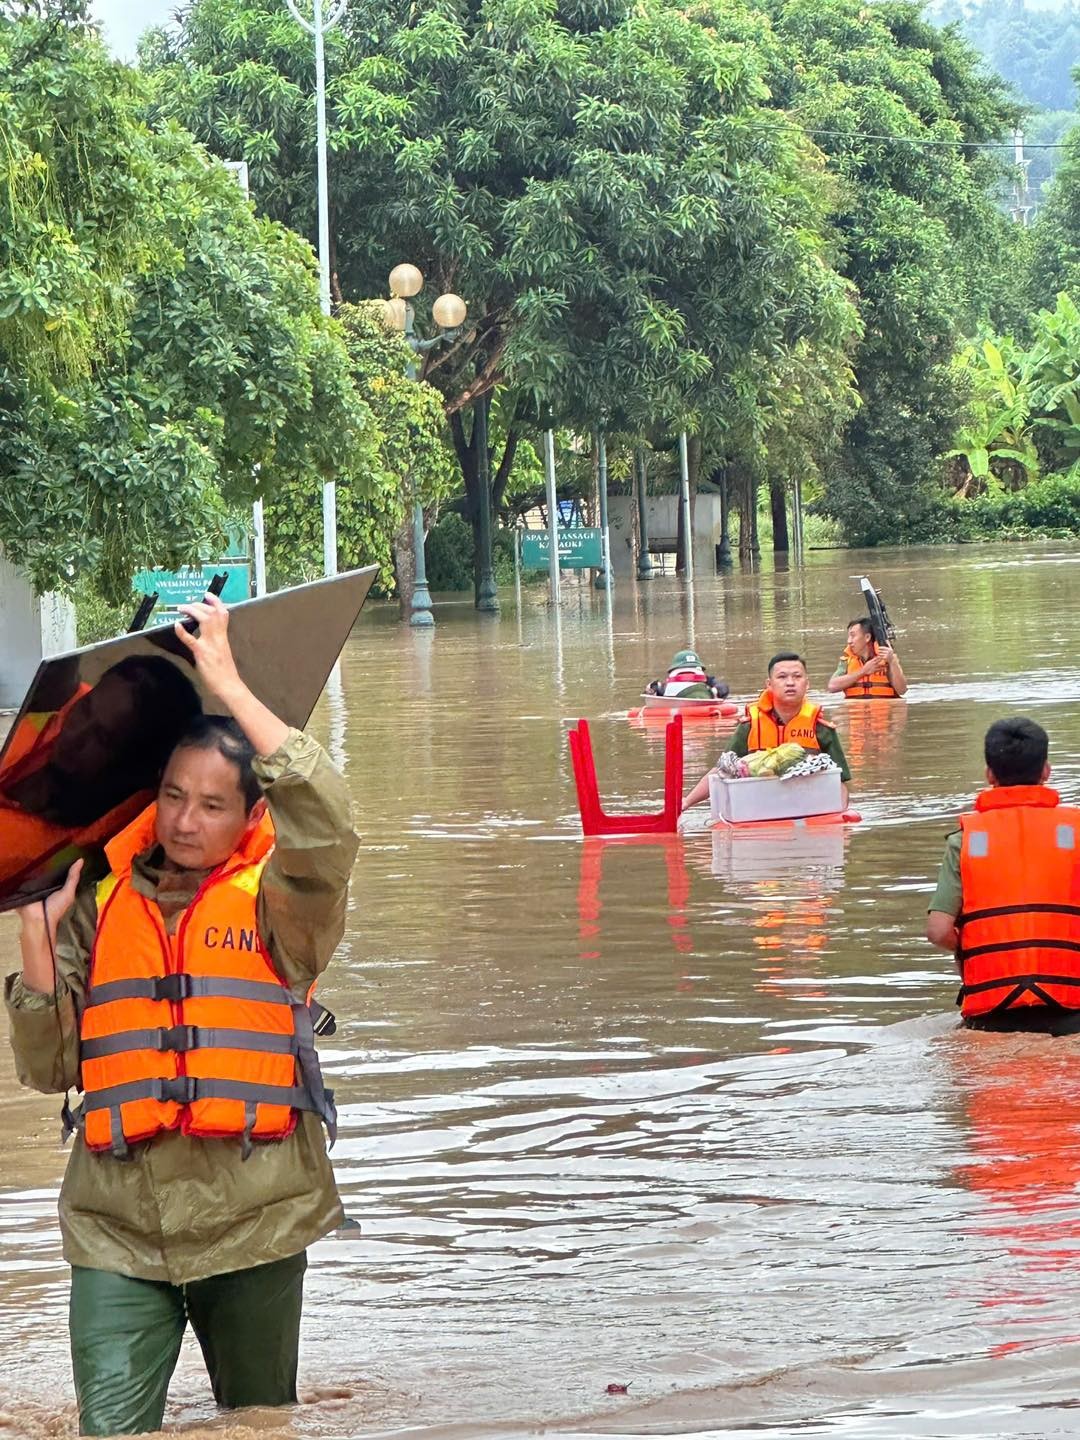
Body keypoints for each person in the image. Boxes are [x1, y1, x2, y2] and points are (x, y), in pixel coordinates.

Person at [3, 594, 359, 1437]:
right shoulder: (97, 897)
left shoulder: (286, 905)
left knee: (259, 1421)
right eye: (171, 796)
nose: (185, 821)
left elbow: (331, 826)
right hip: (118, 1225)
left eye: (211, 804)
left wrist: (226, 682)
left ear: (249, 817)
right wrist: (35, 936)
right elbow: (50, 1069)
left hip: (256, 1216)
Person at [926, 716, 1080, 1034]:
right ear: (1046, 771)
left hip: (991, 1017)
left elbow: (938, 930)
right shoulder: (1075, 832)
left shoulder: (966, 840)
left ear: (990, 774)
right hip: (1071, 1011)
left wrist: (970, 948)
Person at [683, 652, 850, 808]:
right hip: (759, 807)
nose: (790, 682)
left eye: (797, 677)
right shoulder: (749, 726)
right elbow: (720, 771)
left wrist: (840, 819)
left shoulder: (820, 727)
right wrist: (685, 804)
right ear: (769, 684)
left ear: (807, 683)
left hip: (806, 808)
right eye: (782, 677)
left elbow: (840, 780)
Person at [826, 617, 907, 699]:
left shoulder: (887, 659)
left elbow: (902, 690)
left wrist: (892, 661)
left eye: (853, 636)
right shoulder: (846, 662)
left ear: (867, 637)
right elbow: (832, 687)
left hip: (882, 709)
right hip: (855, 709)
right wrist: (864, 671)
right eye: (849, 636)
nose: (849, 641)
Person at [647, 648, 729, 700]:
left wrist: (716, 691)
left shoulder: (708, 681)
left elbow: (723, 687)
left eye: (692, 668)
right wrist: (653, 689)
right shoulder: (664, 686)